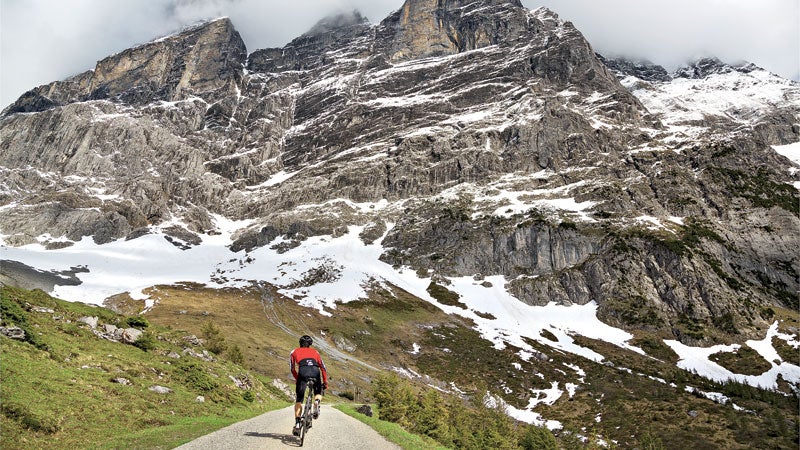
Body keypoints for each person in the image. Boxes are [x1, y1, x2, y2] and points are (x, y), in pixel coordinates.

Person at [290, 334, 328, 435]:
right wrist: (325, 382)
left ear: (300, 343)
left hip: (303, 371)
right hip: (315, 371)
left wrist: (298, 378)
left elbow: (292, 368)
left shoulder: (294, 351)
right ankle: (316, 401)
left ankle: (298, 424)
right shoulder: (315, 352)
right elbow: (323, 368)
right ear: (310, 344)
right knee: (318, 392)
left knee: (299, 399)